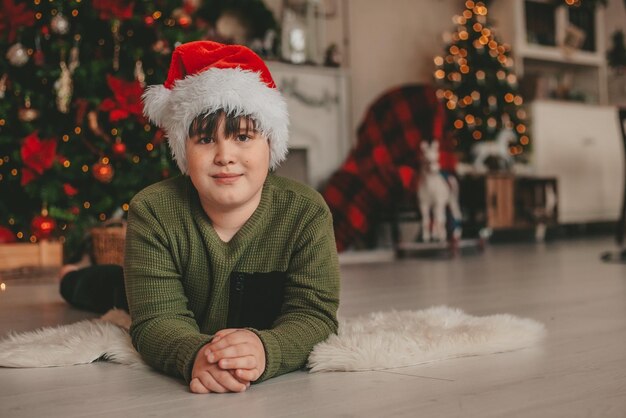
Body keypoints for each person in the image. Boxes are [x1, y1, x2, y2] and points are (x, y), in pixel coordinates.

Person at [123, 40, 340, 394]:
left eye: (242, 136)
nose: (225, 155)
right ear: (183, 151)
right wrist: (195, 354)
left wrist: (266, 350)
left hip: (256, 331)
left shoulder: (305, 213)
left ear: (270, 144)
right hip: (164, 287)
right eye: (205, 140)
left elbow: (315, 315)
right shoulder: (153, 211)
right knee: (106, 290)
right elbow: (155, 320)